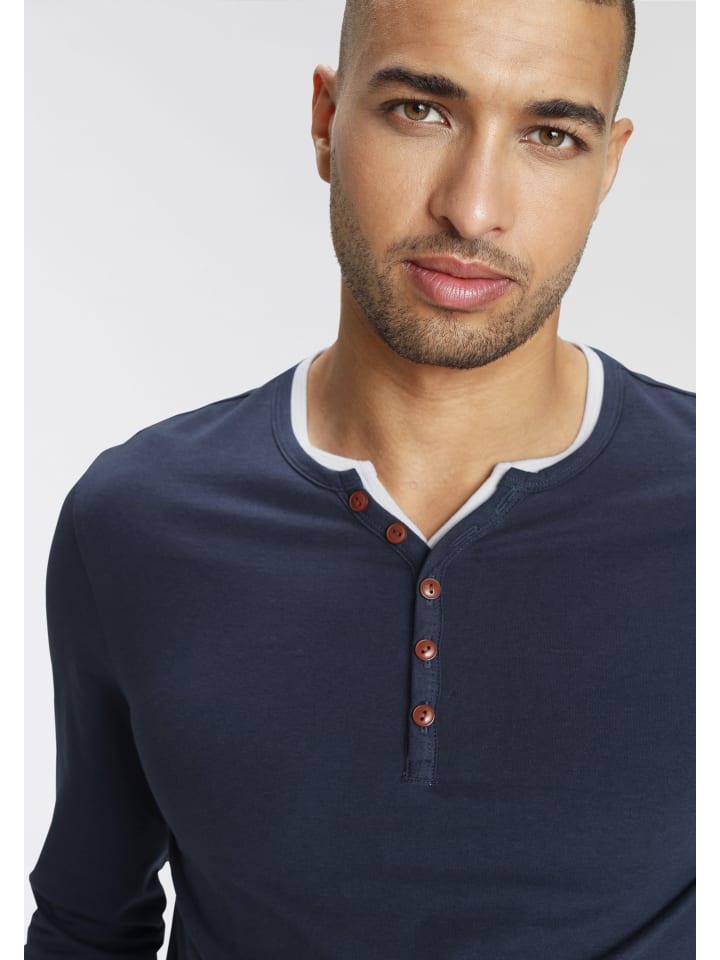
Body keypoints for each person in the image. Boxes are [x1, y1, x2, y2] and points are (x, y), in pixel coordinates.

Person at [25, 0, 694, 957]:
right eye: (422, 110)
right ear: (326, 121)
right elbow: (88, 926)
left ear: (609, 166)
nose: (472, 207)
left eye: (550, 134)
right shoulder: (136, 522)